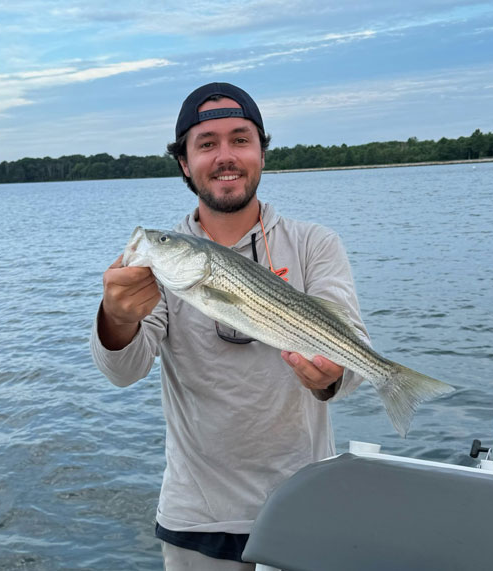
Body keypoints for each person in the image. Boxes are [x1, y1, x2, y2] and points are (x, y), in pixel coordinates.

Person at [90, 82, 370, 570]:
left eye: (241, 139)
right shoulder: (163, 263)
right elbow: (123, 371)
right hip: (196, 517)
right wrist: (117, 316)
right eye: (206, 144)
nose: (226, 156)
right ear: (184, 162)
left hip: (303, 507)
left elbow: (352, 359)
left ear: (262, 152)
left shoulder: (314, 244)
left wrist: (332, 376)